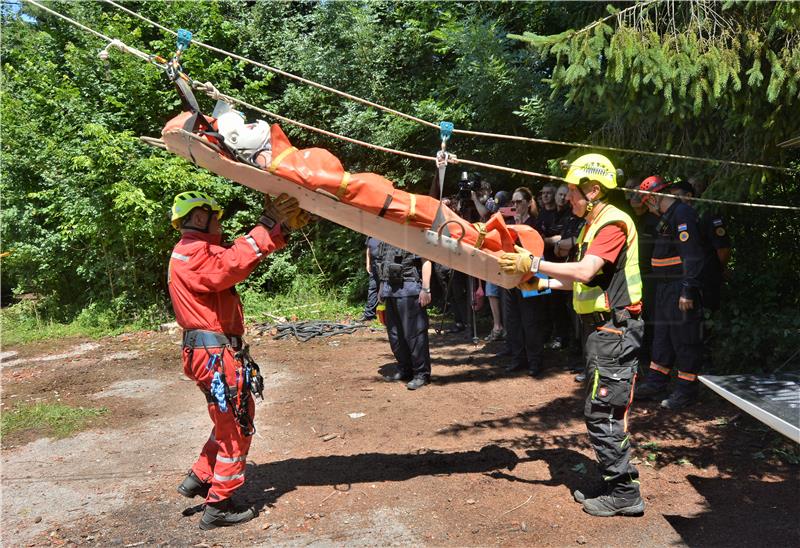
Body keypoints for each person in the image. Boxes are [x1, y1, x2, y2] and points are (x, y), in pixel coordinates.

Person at [499, 153, 645, 517]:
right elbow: (581, 280)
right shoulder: (591, 225)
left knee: (602, 411)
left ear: (593, 190)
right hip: (600, 328)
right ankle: (616, 479)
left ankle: (625, 493)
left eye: (572, 192)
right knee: (602, 407)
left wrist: (532, 262)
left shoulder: (612, 223)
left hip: (614, 328)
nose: (567, 198)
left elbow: (584, 271)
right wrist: (538, 280)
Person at [168, 190, 308, 529]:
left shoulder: (193, 251)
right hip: (214, 354)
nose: (219, 223)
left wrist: (278, 230)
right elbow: (228, 266)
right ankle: (219, 504)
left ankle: (200, 477)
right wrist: (267, 224)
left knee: (226, 418)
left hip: (210, 351)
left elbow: (235, 255)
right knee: (236, 427)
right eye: (215, 217)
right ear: (200, 218)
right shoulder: (192, 255)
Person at [634, 177, 709, 411]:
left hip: (679, 287)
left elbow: (693, 255)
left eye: (648, 203)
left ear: (655, 198)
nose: (648, 208)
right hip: (665, 287)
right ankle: (656, 382)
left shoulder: (682, 214)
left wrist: (688, 289)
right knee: (663, 335)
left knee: (684, 338)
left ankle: (686, 390)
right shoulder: (666, 219)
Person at [376, 241, 433, 390]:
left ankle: (422, 374)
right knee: (395, 336)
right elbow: (384, 262)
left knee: (414, 335)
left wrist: (426, 289)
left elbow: (426, 260)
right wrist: (382, 287)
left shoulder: (412, 231)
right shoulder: (386, 234)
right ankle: (405, 369)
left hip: (409, 288)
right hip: (390, 290)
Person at [502, 187, 546, 376]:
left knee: (531, 321)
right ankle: (517, 357)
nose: (515, 205)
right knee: (512, 319)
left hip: (532, 278)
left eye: (519, 201)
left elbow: (538, 252)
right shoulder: (510, 224)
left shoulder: (536, 224)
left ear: (529, 203)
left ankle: (535, 361)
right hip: (511, 278)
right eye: (513, 202)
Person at [361, 236, 381, 321]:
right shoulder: (370, 235)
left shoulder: (387, 233)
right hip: (373, 265)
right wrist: (368, 264)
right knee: (372, 288)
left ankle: (388, 314)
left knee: (386, 288)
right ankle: (369, 314)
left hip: (384, 264)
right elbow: (368, 249)